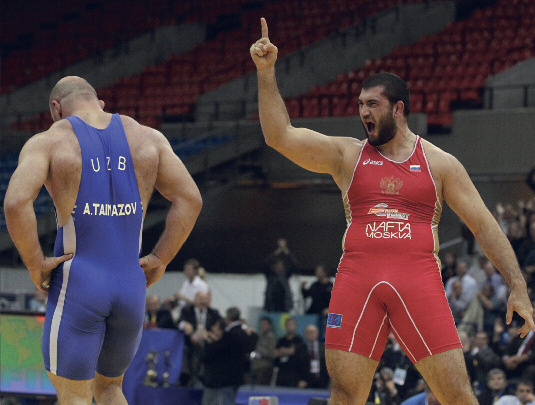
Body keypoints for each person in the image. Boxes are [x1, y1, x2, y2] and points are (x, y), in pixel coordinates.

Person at [250, 18, 535, 405]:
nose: (363, 112)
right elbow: (279, 136)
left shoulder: (440, 163)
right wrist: (266, 73)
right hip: (357, 280)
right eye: (360, 105)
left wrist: (517, 286)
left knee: (456, 395)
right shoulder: (348, 156)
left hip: (417, 280)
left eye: (372, 104)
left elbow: (484, 226)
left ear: (398, 109)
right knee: (345, 394)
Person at [3, 76, 202, 405]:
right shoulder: (148, 138)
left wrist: (35, 263)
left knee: (74, 396)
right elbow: (190, 199)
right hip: (130, 285)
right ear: (100, 103)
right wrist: (161, 257)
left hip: (79, 283)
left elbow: (15, 203)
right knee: (110, 389)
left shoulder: (50, 141)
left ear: (56, 108)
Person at [201, 307, 257, 405]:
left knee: (226, 400)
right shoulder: (244, 333)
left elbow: (216, 350)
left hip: (226, 377)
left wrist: (207, 339)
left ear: (228, 318)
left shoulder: (230, 334)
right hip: (238, 375)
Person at [177, 291, 222, 387]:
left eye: (205, 300)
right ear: (195, 300)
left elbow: (222, 324)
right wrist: (184, 325)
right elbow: (179, 322)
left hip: (206, 344)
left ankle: (200, 377)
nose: (203, 302)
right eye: (200, 299)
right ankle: (187, 377)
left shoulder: (213, 313)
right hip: (189, 343)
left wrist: (209, 334)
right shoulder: (187, 310)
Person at [273, 317, 310, 388]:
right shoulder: (281, 340)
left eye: (292, 325)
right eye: (288, 325)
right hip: (282, 369)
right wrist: (288, 351)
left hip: (294, 371)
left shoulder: (299, 340)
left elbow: (294, 351)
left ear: (295, 326)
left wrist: (283, 350)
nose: (290, 327)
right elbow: (276, 353)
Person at [249, 316, 278, 385]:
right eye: (261, 324)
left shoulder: (272, 338)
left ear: (269, 325)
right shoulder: (258, 336)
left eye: (265, 324)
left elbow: (271, 353)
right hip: (254, 366)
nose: (262, 326)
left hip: (264, 367)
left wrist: (259, 348)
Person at [303, 324, 329, 389]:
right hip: (306, 382)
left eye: (313, 332)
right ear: (305, 334)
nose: (311, 334)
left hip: (322, 381)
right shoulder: (301, 348)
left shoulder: (324, 347)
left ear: (317, 333)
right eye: (309, 332)